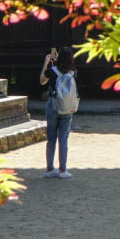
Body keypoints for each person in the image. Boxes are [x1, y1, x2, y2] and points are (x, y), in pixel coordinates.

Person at [39, 46, 77, 178]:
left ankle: (49, 168)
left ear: (58, 58)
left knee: (51, 138)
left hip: (53, 105)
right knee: (63, 139)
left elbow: (42, 81)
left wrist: (47, 63)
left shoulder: (52, 71)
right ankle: (63, 170)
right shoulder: (73, 72)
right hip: (67, 107)